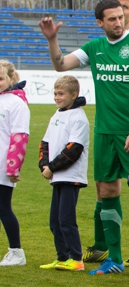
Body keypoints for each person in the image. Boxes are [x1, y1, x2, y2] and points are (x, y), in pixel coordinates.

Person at [39, 0, 129, 274]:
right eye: (112, 19)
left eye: (120, 17)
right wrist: (53, 40)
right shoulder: (95, 47)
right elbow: (61, 64)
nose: (118, 22)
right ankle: (114, 258)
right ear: (100, 23)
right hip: (104, 131)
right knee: (107, 190)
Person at [38, 75, 90, 272]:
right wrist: (44, 165)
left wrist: (52, 167)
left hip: (71, 177)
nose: (56, 97)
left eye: (61, 94)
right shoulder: (57, 114)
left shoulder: (78, 117)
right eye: (55, 93)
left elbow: (73, 149)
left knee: (66, 220)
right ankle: (62, 257)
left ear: (73, 95)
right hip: (57, 176)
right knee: (55, 222)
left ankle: (76, 259)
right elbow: (45, 143)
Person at [0, 62, 29, 267]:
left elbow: (20, 137)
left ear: (11, 78)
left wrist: (12, 167)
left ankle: (16, 252)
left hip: (2, 165)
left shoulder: (16, 103)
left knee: (3, 207)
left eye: (0, 78)